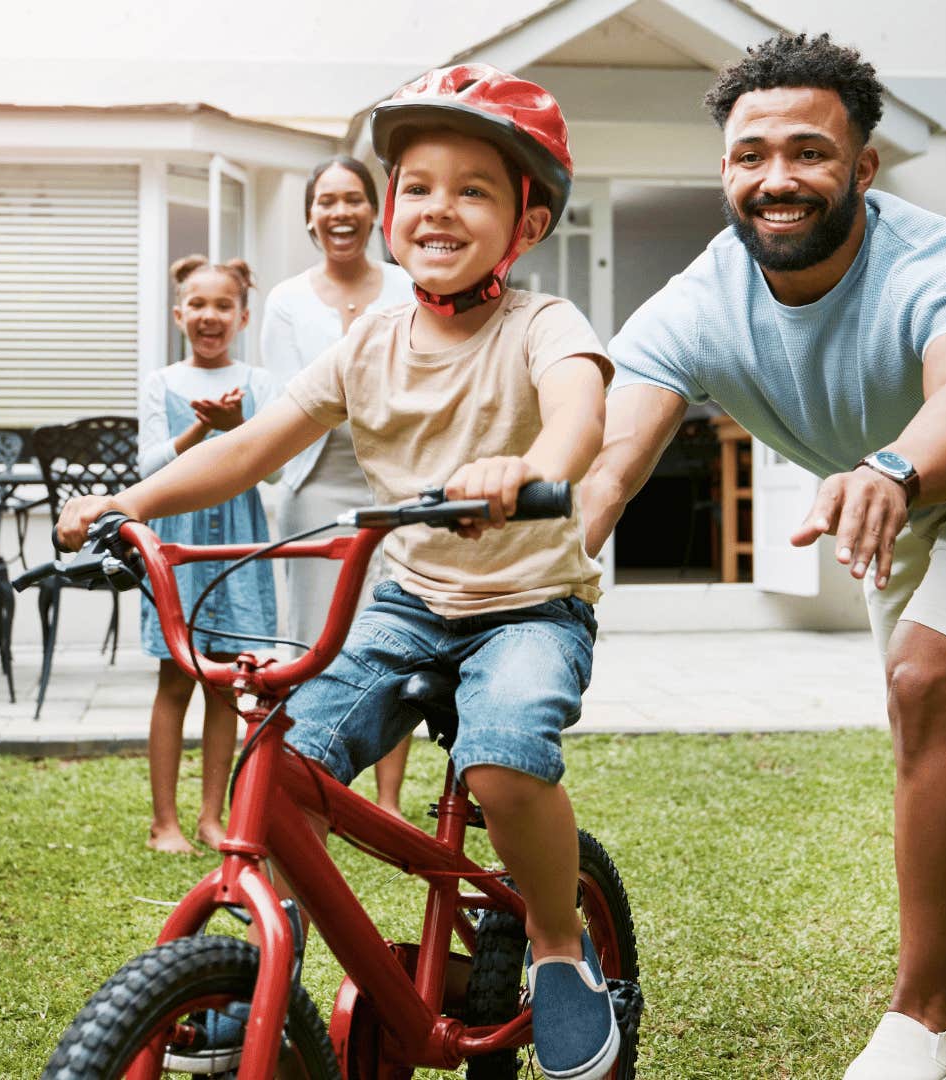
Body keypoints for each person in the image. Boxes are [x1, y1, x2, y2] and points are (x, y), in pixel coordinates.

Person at [61, 64, 624, 1079]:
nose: (437, 206)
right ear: (391, 207)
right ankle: (268, 978)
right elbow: (255, 446)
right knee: (285, 769)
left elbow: (581, 413)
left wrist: (534, 469)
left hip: (528, 603)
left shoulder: (543, 326)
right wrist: (131, 502)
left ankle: (553, 942)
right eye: (417, 184)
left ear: (528, 225)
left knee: (499, 760)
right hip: (409, 602)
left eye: (474, 188)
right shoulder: (369, 342)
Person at [578, 33, 946, 1080]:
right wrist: (557, 554)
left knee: (925, 682)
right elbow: (612, 461)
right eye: (750, 155)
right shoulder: (696, 302)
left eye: (810, 153)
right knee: (942, 699)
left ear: (862, 166)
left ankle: (925, 1016)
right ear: (725, 168)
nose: (778, 179)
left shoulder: (943, 261)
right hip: (889, 496)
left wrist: (894, 472)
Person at [260, 155, 417, 817]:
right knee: (313, 640)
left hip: (397, 487)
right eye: (327, 201)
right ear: (309, 217)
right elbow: (283, 400)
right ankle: (311, 783)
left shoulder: (409, 286)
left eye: (353, 199)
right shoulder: (287, 300)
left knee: (395, 633)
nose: (340, 213)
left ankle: (385, 799)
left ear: (374, 211)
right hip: (315, 484)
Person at [135, 255, 280, 855]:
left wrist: (240, 424)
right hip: (180, 548)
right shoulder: (162, 384)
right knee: (176, 680)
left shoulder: (261, 383)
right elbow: (145, 469)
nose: (209, 315)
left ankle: (211, 818)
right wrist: (200, 430)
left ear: (242, 316)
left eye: (223, 305)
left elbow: (273, 469)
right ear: (178, 315)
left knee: (229, 685)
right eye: (197, 304)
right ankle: (163, 821)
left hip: (237, 548)